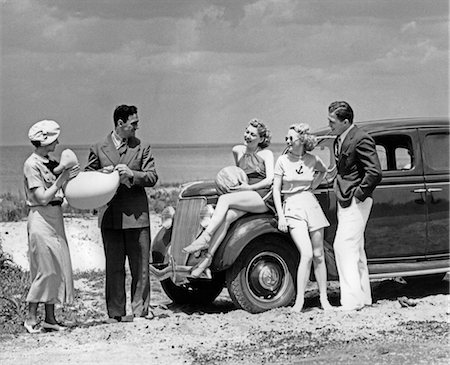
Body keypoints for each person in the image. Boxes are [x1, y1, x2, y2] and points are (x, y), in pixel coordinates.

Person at [85, 105, 158, 322]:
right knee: (114, 267)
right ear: (120, 123)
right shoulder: (98, 147)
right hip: (111, 217)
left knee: (141, 267)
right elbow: (87, 177)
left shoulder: (143, 147)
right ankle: (116, 312)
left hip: (137, 217)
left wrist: (132, 174)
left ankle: (141, 311)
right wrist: (102, 174)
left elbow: (152, 177)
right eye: (133, 123)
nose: (137, 127)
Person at [182, 119, 274, 277]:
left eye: (253, 134)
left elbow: (270, 179)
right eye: (247, 132)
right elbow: (237, 173)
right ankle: (207, 259)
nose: (248, 136)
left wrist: (248, 187)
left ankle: (206, 236)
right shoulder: (238, 151)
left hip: (262, 195)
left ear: (261, 139)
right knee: (227, 217)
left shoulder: (266, 154)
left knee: (224, 200)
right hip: (244, 195)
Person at [23, 119, 77, 333]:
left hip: (55, 217)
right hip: (41, 217)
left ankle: (50, 319)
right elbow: (42, 197)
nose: (57, 143)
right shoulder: (31, 164)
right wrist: (61, 179)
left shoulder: (50, 162)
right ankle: (31, 317)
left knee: (56, 268)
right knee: (44, 269)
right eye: (54, 140)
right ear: (44, 141)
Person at [328, 101, 382, 311]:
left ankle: (351, 302)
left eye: (332, 121)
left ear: (346, 121)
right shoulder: (340, 139)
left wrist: (358, 195)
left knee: (343, 247)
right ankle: (363, 297)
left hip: (354, 200)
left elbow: (375, 172)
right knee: (356, 250)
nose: (330, 124)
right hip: (346, 199)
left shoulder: (361, 138)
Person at [272, 123, 332, 312]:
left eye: (291, 138)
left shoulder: (313, 159)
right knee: (305, 254)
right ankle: (300, 301)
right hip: (292, 207)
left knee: (318, 254)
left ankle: (324, 299)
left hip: (311, 205)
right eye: (286, 138)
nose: (287, 141)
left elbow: (324, 171)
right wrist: (281, 216)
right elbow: (276, 189)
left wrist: (313, 185)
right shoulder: (282, 160)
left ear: (302, 140)